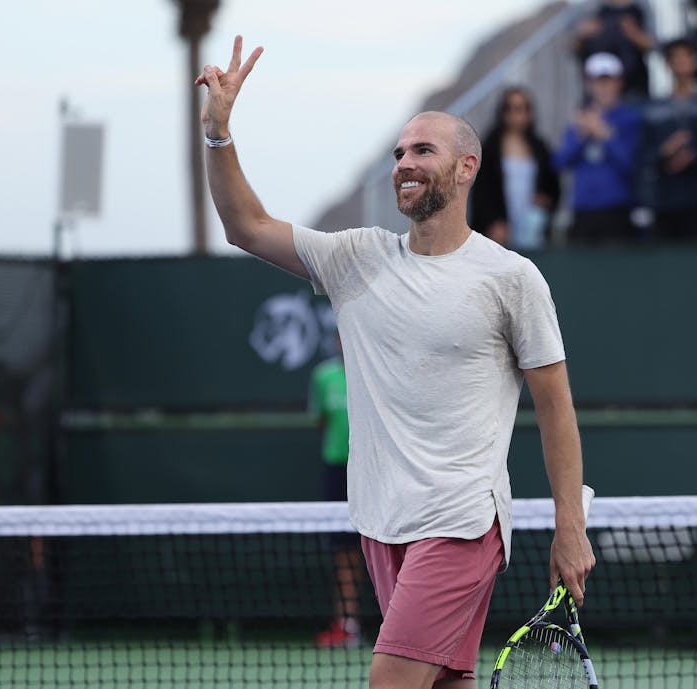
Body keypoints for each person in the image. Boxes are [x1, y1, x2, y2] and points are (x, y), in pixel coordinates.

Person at [196, 36, 595, 689]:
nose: (405, 163)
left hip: (464, 521)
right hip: (381, 521)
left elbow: (556, 407)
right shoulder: (355, 258)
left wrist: (569, 527)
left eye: (423, 151)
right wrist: (218, 134)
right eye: (399, 153)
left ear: (466, 168)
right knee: (443, 683)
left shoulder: (512, 279)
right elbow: (245, 226)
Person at [309, 331, 365, 649]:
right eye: (338, 337)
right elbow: (321, 421)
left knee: (387, 547)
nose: (343, 342)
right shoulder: (323, 377)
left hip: (374, 470)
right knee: (345, 551)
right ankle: (348, 625)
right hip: (336, 470)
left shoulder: (376, 369)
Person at [640, 37, 697, 239]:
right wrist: (664, 153)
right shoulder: (654, 108)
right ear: (667, 64)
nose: (680, 62)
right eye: (674, 58)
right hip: (665, 202)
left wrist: (694, 158)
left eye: (686, 56)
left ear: (695, 61)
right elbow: (645, 154)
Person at [554, 52, 643, 244]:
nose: (603, 87)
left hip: (617, 210)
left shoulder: (630, 119)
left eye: (608, 81)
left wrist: (605, 135)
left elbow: (632, 164)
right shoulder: (579, 122)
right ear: (588, 84)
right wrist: (581, 136)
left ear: (619, 83)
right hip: (583, 211)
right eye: (597, 81)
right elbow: (560, 163)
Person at [469, 88, 561, 250]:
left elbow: (552, 184)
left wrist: (545, 201)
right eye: (510, 108)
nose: (516, 114)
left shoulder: (540, 147)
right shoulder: (489, 148)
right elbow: (482, 190)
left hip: (532, 226)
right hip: (499, 229)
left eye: (522, 108)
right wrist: (492, 221)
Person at [574, 0, 656, 99]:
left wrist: (633, 33)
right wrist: (583, 34)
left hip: (633, 88)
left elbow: (652, 45)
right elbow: (574, 48)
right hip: (597, 91)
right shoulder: (591, 8)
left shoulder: (641, 7)